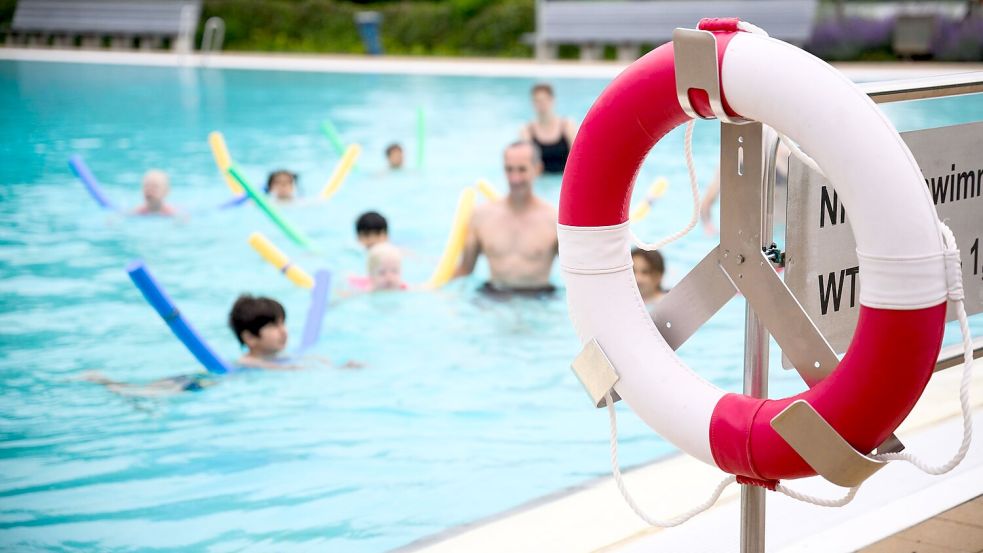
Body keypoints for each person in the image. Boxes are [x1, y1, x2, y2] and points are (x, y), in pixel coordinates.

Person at [80, 296, 300, 396]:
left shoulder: (271, 360)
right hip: (204, 382)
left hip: (207, 380)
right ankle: (108, 383)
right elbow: (272, 368)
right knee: (146, 391)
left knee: (148, 392)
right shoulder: (249, 361)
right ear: (250, 338)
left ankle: (116, 386)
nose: (283, 331)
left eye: (283, 323)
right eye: (273, 325)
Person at [455, 141, 558, 297]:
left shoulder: (553, 221)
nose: (514, 178)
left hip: (538, 298)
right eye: (509, 170)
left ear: (538, 169)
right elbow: (464, 270)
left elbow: (577, 273)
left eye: (522, 170)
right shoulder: (481, 216)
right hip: (494, 296)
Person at [519, 83, 577, 174]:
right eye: (537, 101)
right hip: (542, 180)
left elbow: (576, 158)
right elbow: (527, 164)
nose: (541, 105)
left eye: (544, 100)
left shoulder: (567, 125)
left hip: (563, 177)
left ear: (552, 100)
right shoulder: (527, 130)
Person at [632, 248, 667, 315]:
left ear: (658, 276)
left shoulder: (668, 306)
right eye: (633, 271)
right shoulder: (624, 302)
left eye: (645, 272)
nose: (637, 278)